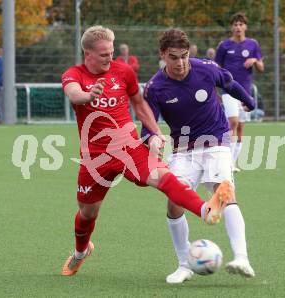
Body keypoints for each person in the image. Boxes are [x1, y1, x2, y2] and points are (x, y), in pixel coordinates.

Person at [60, 26, 233, 276]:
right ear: (87, 53)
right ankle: (80, 252)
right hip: (94, 157)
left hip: (128, 147)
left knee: (163, 177)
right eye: (104, 54)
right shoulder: (74, 74)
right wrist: (88, 95)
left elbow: (140, 106)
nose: (111, 58)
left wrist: (155, 132)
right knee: (87, 213)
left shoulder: (123, 71)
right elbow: (73, 94)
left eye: (111, 52)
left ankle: (205, 210)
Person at [141, 28, 256, 284]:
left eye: (184, 56)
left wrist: (249, 101)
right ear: (162, 55)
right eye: (174, 57)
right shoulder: (155, 88)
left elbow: (230, 84)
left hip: (216, 141)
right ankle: (184, 265)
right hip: (183, 150)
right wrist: (153, 139)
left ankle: (241, 258)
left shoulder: (206, 68)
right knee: (174, 202)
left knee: (223, 190)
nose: (180, 62)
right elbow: (147, 126)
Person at [215, 12, 264, 171]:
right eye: (235, 24)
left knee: (241, 127)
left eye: (241, 24)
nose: (238, 27)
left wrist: (255, 61)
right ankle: (226, 161)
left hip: (245, 91)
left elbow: (262, 68)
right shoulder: (224, 46)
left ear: (245, 27)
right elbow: (216, 68)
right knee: (233, 122)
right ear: (232, 27)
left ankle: (232, 163)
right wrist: (216, 90)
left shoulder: (253, 44)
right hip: (229, 90)